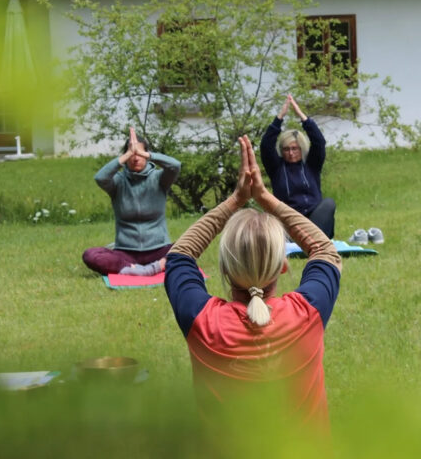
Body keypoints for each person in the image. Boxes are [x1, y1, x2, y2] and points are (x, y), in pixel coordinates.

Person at [164, 135, 342, 428]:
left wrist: (236, 200)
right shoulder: (307, 313)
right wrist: (266, 199)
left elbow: (180, 255)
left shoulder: (203, 321)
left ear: (224, 268)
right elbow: (324, 250)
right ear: (283, 266)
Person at [82, 128, 181, 276]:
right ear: (125, 157)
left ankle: (142, 269)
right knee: (90, 255)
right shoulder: (117, 182)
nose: (136, 158)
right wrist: (128, 153)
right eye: (131, 154)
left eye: (139, 154)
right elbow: (100, 178)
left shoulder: (160, 179)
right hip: (127, 253)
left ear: (146, 155)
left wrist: (146, 154)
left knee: (186, 249)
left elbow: (175, 166)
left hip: (159, 249)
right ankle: (141, 268)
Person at [260, 94, 335, 238]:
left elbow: (319, 142)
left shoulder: (312, 165)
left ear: (301, 148)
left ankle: (315, 241)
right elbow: (266, 145)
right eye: (287, 149)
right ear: (281, 151)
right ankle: (301, 241)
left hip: (313, 220)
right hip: (289, 220)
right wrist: (280, 117)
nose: (291, 153)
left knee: (328, 203)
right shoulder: (276, 168)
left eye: (295, 149)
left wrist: (302, 116)